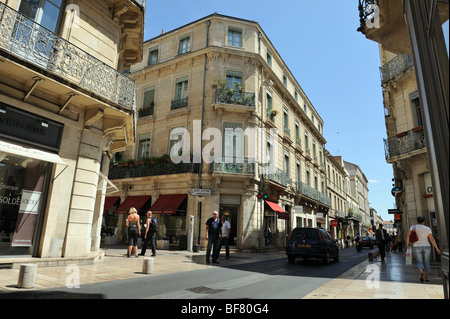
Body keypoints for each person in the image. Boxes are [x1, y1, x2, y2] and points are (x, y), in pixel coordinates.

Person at [406, 216, 441, 283]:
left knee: (419, 261)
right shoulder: (427, 228)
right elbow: (432, 239)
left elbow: (408, 236)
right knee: (426, 261)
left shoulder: (413, 227)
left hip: (417, 246)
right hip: (426, 246)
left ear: (417, 221)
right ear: (424, 221)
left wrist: (407, 244)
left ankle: (421, 270)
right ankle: (426, 277)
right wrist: (437, 248)